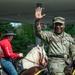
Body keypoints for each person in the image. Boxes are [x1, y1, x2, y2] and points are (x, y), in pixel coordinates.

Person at [34, 7, 75, 75]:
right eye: (56, 24)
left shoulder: (69, 37)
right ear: (54, 25)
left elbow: (73, 49)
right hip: (54, 63)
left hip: (68, 63)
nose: (58, 26)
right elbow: (38, 33)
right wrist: (37, 21)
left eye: (60, 24)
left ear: (64, 26)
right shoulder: (50, 35)